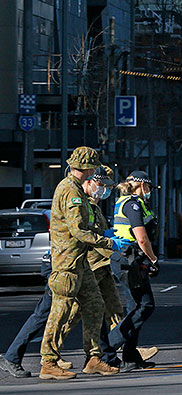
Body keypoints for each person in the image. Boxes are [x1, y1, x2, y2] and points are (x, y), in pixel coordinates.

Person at [39, 147, 131, 380]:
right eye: (93, 168)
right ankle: (48, 362)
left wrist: (105, 236)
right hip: (67, 263)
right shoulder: (71, 191)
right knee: (59, 312)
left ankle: (93, 358)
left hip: (80, 262)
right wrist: (109, 243)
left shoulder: (76, 189)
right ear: (88, 168)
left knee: (95, 305)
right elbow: (78, 230)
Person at [107, 171, 160, 371]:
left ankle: (129, 357)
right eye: (149, 187)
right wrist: (153, 259)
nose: (150, 191)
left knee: (135, 307)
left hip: (131, 260)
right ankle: (107, 349)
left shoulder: (131, 202)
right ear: (141, 185)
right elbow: (142, 238)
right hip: (128, 260)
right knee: (144, 306)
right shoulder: (133, 205)